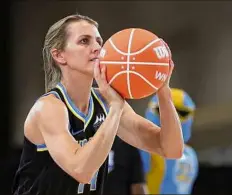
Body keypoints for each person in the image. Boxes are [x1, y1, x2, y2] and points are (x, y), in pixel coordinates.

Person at [12, 14, 184, 195]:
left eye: (98, 41)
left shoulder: (106, 102)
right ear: (59, 55)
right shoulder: (49, 108)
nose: (96, 48)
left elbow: (171, 149)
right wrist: (116, 108)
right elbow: (82, 170)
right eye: (84, 41)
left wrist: (163, 90)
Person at [140, 88, 199, 194]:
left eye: (181, 112)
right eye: (160, 110)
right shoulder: (145, 149)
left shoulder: (191, 155)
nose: (173, 117)